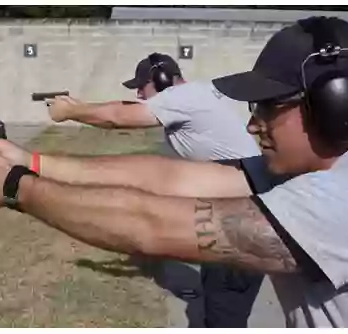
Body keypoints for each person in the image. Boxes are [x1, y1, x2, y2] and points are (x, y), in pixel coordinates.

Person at [0, 16, 348, 327]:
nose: (253, 124)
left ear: (334, 105)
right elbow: (167, 180)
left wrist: (16, 189)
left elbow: (151, 227)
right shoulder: (311, 178)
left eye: (270, 107)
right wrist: (32, 161)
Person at [43, 52, 265, 328]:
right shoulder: (192, 94)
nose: (138, 93)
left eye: (141, 86)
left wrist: (71, 112)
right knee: (217, 288)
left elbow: (118, 117)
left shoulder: (181, 99)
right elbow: (122, 107)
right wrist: (82, 105)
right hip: (233, 202)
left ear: (161, 80)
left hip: (241, 215)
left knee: (226, 308)